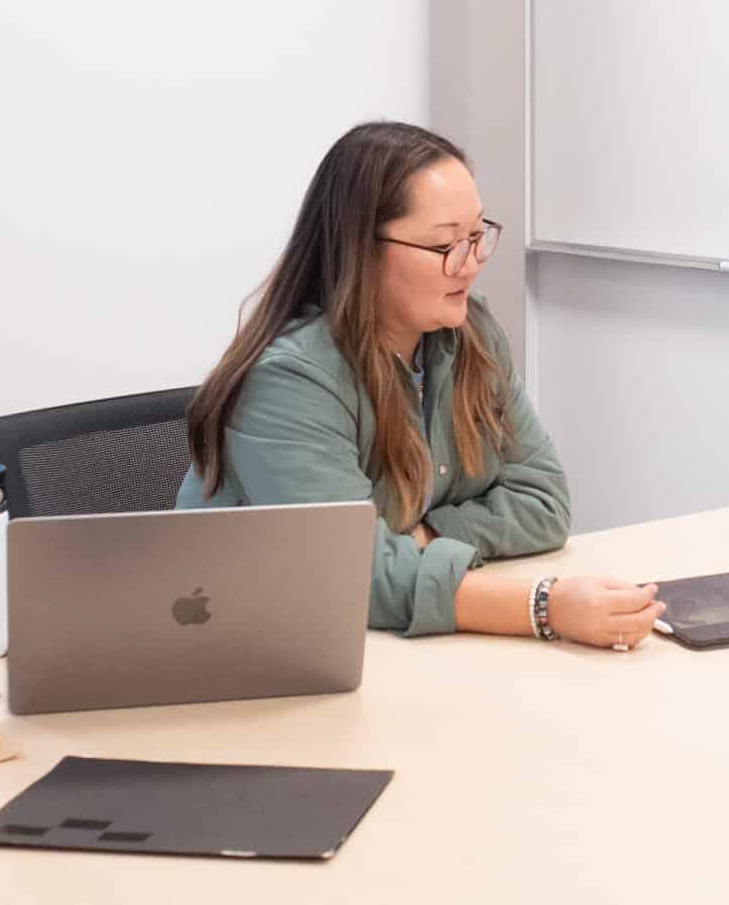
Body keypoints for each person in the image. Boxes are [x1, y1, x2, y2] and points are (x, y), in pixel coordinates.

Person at [178, 120, 665, 650]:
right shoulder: (289, 381)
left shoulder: (469, 333)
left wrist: (426, 536)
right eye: (445, 245)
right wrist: (545, 607)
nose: (471, 264)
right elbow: (350, 576)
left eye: (477, 237)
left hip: (387, 648)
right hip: (244, 649)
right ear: (360, 249)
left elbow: (543, 502)